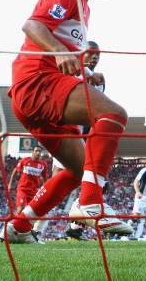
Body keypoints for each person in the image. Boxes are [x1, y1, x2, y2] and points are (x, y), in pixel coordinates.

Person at [0, 0, 132, 244]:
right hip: (37, 83)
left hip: (39, 93)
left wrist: (86, 73)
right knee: (114, 114)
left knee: (77, 169)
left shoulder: (84, 7)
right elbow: (33, 25)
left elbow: (65, 51)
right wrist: (59, 51)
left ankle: (18, 229)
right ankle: (90, 203)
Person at [48, 40, 103, 241]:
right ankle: (31, 225)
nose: (95, 56)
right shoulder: (69, 71)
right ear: (81, 54)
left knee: (88, 184)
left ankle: (74, 229)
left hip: (86, 140)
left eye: (98, 54)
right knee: (56, 184)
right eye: (91, 53)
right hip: (65, 135)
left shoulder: (99, 81)